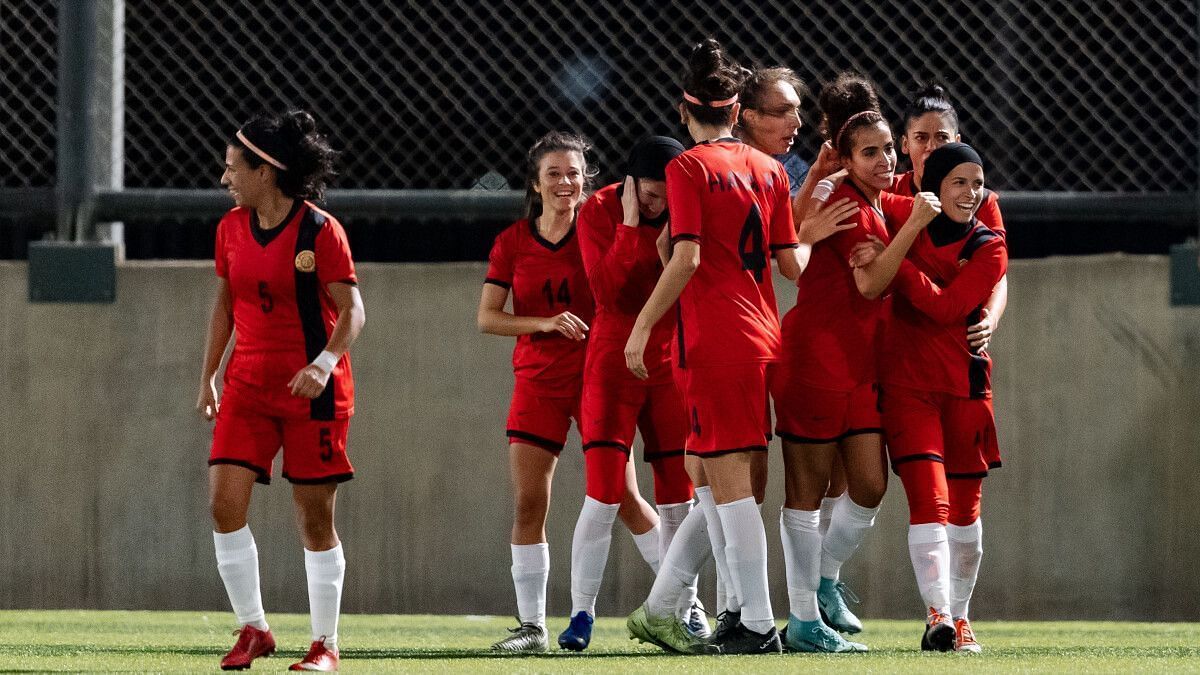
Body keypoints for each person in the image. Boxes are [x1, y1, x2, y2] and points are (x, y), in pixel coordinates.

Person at [624, 39, 805, 656]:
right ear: (736, 110)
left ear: (685, 108)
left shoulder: (687, 167)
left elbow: (688, 255)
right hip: (758, 335)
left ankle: (755, 623)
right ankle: (673, 608)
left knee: (729, 488)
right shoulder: (770, 170)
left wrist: (643, 324)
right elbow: (791, 265)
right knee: (708, 479)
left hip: (715, 339)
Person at [772, 73, 940, 653]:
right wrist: (910, 229)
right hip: (815, 360)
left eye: (889, 147)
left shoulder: (874, 198)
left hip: (860, 365)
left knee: (869, 485)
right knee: (806, 493)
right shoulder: (840, 199)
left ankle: (820, 583)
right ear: (844, 158)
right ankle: (800, 620)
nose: (885, 158)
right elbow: (869, 284)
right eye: (870, 151)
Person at [198, 110, 364, 672]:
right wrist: (209, 374)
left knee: (314, 519)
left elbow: (352, 311)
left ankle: (325, 646)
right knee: (224, 503)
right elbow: (224, 304)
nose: (225, 178)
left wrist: (323, 363)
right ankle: (255, 630)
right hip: (247, 387)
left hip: (311, 393)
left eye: (232, 167)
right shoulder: (229, 228)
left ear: (265, 171)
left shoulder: (320, 231)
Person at [481, 131, 653, 653]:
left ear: (587, 180)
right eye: (554, 173)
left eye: (574, 172)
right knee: (531, 499)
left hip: (598, 380)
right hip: (538, 382)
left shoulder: (598, 231)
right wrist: (546, 323)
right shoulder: (513, 241)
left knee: (622, 496)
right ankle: (531, 626)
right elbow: (488, 318)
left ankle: (680, 601)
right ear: (536, 181)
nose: (565, 182)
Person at [559, 136, 709, 651]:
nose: (658, 203)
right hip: (611, 360)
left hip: (669, 361)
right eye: (648, 194)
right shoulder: (599, 210)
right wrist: (628, 228)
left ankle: (684, 607)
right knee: (603, 491)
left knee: (677, 492)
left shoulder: (687, 209)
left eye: (666, 193)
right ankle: (581, 613)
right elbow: (606, 291)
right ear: (630, 185)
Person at [876, 143, 1008, 653]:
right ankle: (938, 618)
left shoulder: (988, 244)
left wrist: (898, 266)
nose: (972, 193)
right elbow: (858, 194)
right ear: (931, 184)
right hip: (910, 386)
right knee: (930, 502)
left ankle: (961, 616)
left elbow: (947, 306)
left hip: (966, 388)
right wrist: (821, 177)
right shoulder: (898, 212)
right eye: (960, 182)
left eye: (977, 183)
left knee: (966, 514)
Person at [891, 84, 1007, 353]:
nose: (931, 147)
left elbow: (997, 270)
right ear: (905, 144)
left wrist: (991, 316)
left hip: (954, 344)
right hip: (899, 336)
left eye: (941, 138)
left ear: (957, 141)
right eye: (921, 138)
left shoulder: (981, 201)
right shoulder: (887, 191)